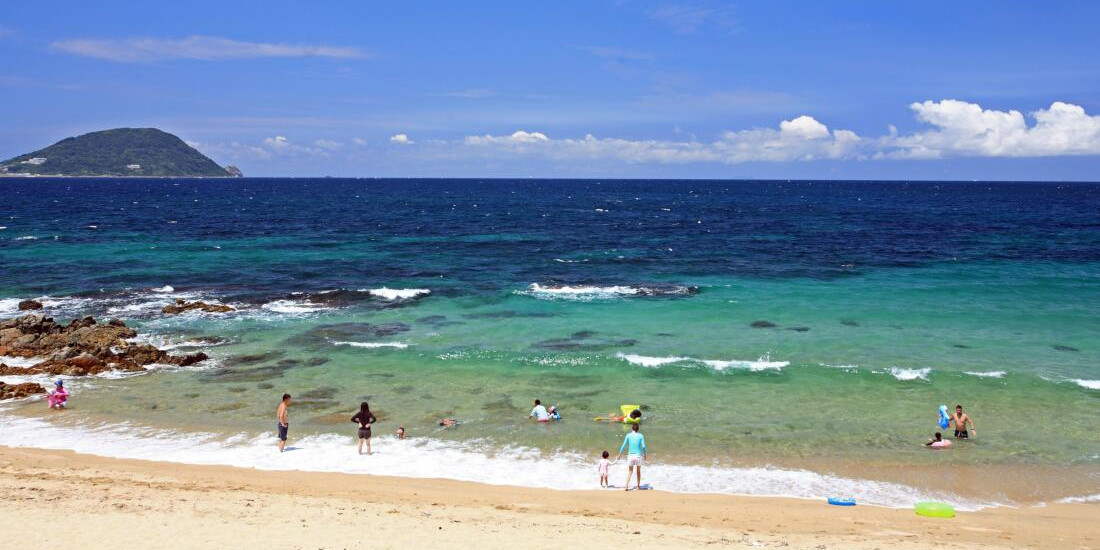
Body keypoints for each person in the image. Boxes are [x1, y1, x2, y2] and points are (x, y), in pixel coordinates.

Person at [615, 423, 647, 491]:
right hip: (638, 456)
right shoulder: (640, 435)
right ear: (638, 429)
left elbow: (623, 445)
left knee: (630, 471)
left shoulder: (628, 435)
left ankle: (626, 486)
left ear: (632, 428)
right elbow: (643, 446)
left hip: (630, 456)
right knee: (638, 471)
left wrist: (619, 455)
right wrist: (644, 454)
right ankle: (638, 486)